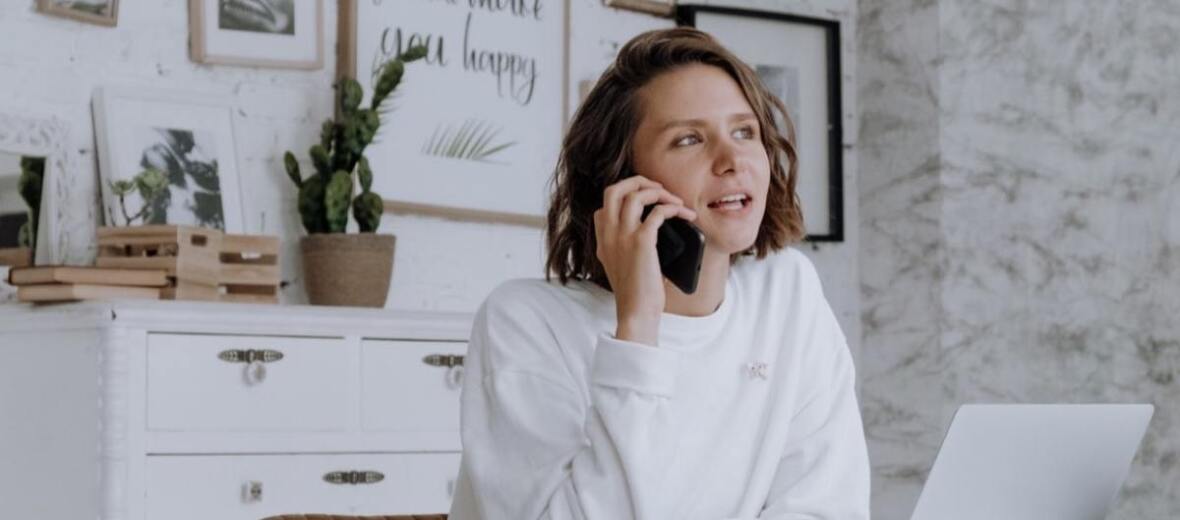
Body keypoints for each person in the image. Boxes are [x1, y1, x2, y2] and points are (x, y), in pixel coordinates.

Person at [448, 27, 870, 520]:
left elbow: (826, 506)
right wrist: (638, 326)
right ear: (622, 180)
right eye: (688, 139)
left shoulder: (787, 291)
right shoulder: (525, 322)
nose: (732, 161)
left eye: (744, 132)